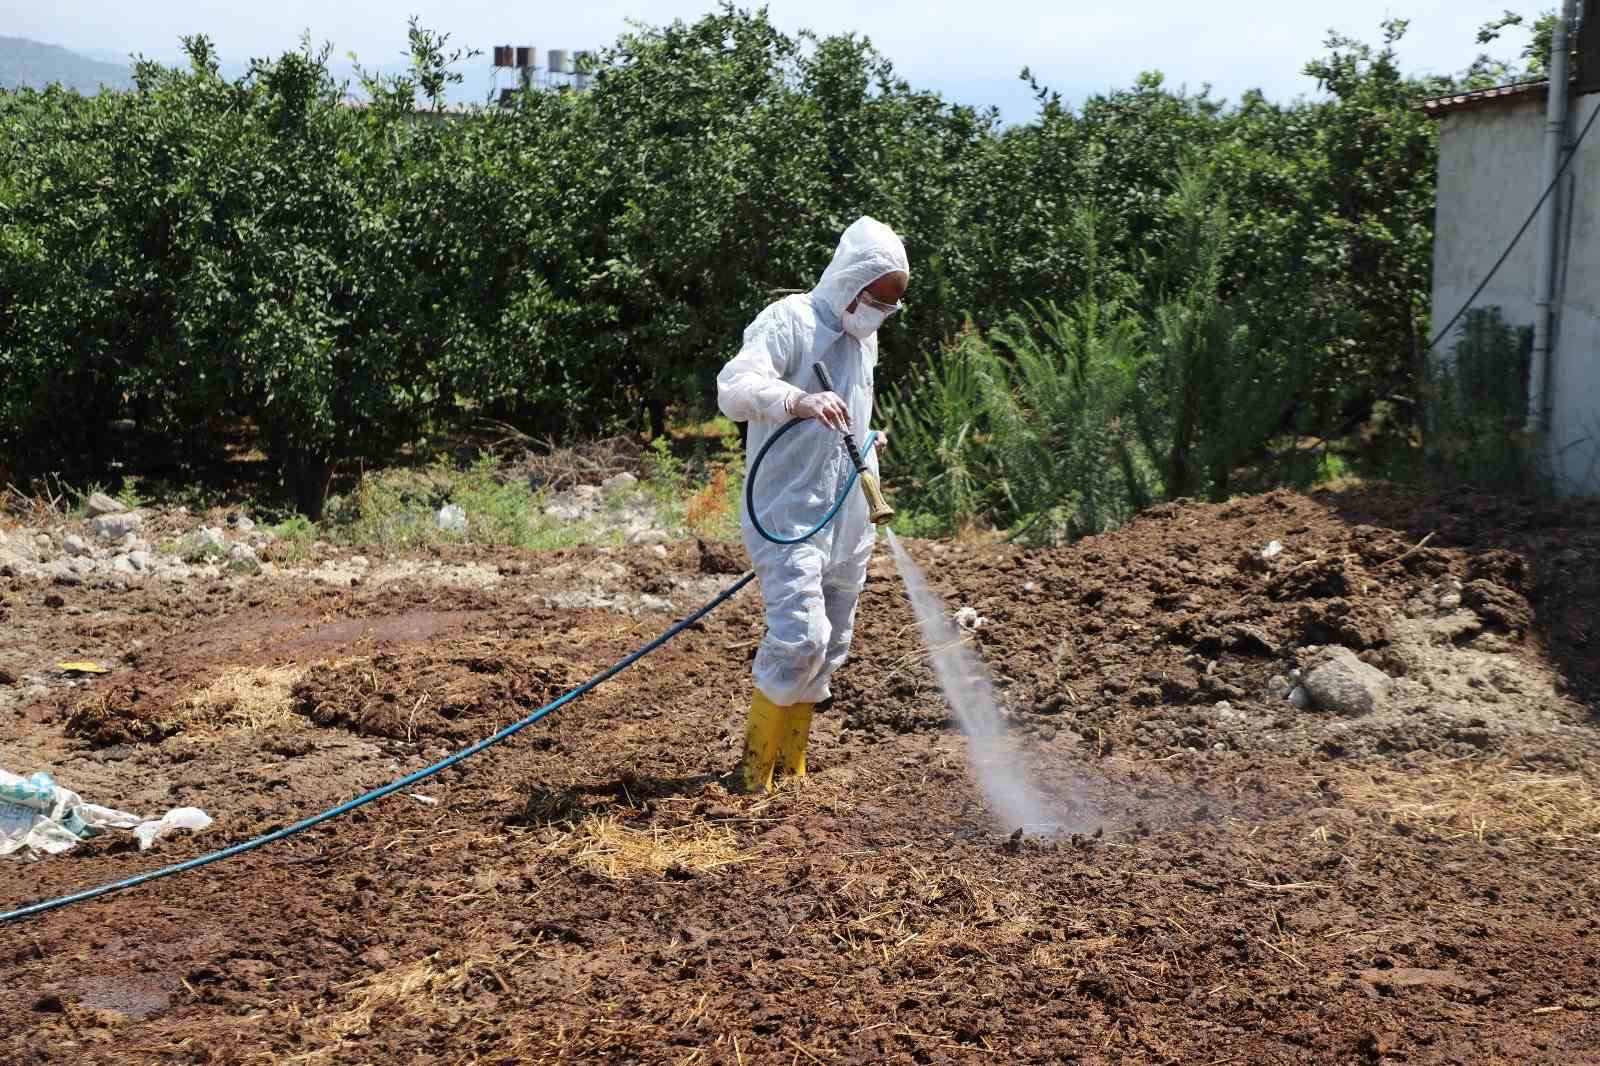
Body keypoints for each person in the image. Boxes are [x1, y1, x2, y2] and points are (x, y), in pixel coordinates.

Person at [716, 216, 909, 793]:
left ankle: (789, 773)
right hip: (790, 513)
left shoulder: (862, 339)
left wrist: (868, 439)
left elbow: (849, 416)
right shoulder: (791, 321)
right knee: (801, 638)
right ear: (851, 279)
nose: (877, 313)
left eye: (888, 307)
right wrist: (796, 400)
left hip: (847, 516)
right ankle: (752, 777)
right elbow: (734, 388)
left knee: (831, 646)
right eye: (874, 299)